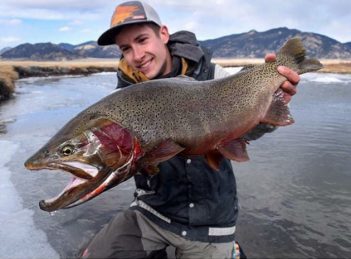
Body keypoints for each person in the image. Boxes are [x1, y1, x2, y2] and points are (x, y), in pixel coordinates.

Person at [81, 1, 300, 258]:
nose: (136, 55)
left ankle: (232, 251)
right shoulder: (122, 100)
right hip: (152, 211)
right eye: (126, 48)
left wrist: (266, 106)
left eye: (142, 40)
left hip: (212, 220)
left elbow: (243, 132)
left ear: (163, 34)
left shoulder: (212, 75)